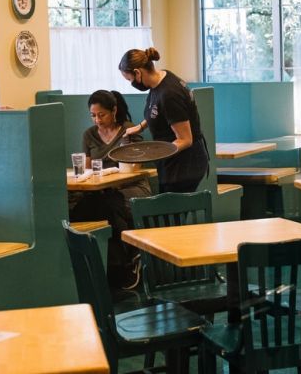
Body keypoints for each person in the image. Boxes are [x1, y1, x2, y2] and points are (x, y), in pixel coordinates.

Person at [69, 89, 150, 290]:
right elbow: (87, 169)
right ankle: (104, 266)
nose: (97, 120)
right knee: (82, 208)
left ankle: (129, 259)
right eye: (93, 115)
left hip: (133, 188)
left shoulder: (128, 131)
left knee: (109, 204)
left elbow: (135, 168)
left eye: (101, 115)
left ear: (114, 111)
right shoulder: (89, 135)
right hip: (102, 191)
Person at [119, 47, 209, 193]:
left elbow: (185, 139)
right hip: (173, 161)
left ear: (137, 72)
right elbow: (158, 111)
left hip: (184, 165)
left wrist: (153, 153)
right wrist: (140, 127)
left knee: (170, 214)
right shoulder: (160, 80)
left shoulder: (169, 94)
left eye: (130, 79)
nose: (132, 83)